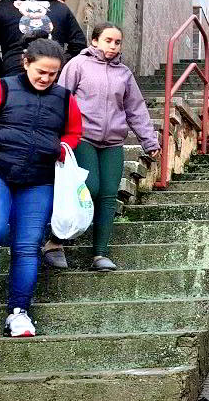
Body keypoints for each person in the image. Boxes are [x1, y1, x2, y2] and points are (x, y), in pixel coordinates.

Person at [0, 39, 81, 337]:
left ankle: (18, 313)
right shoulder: (0, 88)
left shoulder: (65, 99)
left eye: (52, 74)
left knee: (27, 245)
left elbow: (73, 133)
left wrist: (63, 147)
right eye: (41, 71)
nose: (46, 78)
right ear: (26, 63)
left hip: (39, 179)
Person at [42, 23, 159, 272]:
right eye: (108, 40)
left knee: (108, 194)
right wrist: (52, 133)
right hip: (82, 137)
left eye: (117, 42)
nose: (113, 46)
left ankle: (100, 255)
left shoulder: (124, 74)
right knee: (89, 188)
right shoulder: (77, 65)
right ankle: (56, 241)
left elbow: (136, 110)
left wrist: (149, 141)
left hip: (113, 141)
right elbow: (59, 98)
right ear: (94, 41)